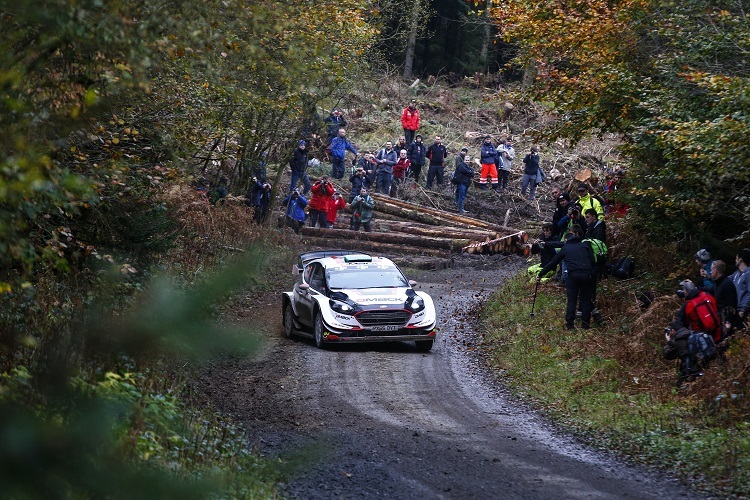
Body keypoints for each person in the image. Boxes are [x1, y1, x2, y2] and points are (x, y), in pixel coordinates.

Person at [538, 228, 596, 330]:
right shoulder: (585, 246)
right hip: (586, 275)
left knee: (572, 301)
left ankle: (570, 325)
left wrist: (540, 274)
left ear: (566, 240)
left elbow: (553, 262)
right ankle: (585, 326)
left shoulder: (566, 248)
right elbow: (592, 261)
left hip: (573, 276)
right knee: (586, 300)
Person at [663, 319, 698, 386]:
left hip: (690, 371)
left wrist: (668, 341)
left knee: (679, 387)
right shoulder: (692, 334)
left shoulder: (678, 341)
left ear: (672, 331)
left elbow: (667, 355)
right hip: (703, 367)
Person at [710, 260, 739, 340]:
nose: (710, 272)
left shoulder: (727, 284)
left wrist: (728, 321)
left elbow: (731, 304)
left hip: (727, 320)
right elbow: (709, 289)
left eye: (711, 269)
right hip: (720, 318)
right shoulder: (717, 283)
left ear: (716, 271)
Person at [730, 248, 750, 326]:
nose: (735, 260)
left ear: (740, 259)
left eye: (736, 258)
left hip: (744, 311)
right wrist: (708, 276)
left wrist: (743, 309)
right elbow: (724, 280)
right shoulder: (736, 273)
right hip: (736, 309)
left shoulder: (748, 274)